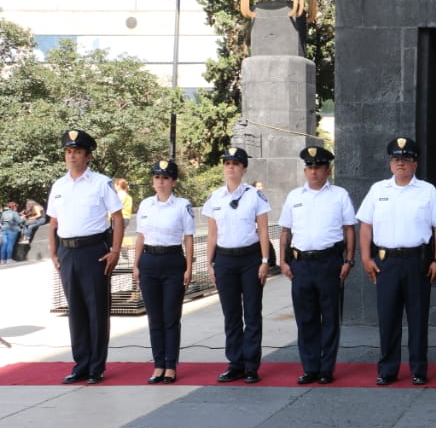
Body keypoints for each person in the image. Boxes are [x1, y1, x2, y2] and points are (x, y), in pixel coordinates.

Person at [356, 137, 436, 386]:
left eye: (406, 159)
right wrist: (365, 257)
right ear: (390, 163)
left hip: (417, 262)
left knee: (418, 318)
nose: (401, 163)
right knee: (388, 318)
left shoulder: (427, 191)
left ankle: (418, 369)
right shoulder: (378, 190)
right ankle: (388, 369)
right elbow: (366, 226)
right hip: (386, 263)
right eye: (396, 159)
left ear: (415, 163)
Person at [46, 129, 124, 384]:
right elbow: (53, 222)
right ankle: (80, 364)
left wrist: (115, 250)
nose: (72, 156)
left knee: (96, 309)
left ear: (88, 156)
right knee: (76, 310)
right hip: (67, 251)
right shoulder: (59, 185)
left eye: (77, 152)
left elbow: (117, 218)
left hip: (93, 251)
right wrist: (53, 252)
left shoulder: (101, 183)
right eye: (68, 151)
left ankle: (96, 367)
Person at [280, 145, 357, 385]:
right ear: (305, 170)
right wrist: (282, 261)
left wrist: (349, 260)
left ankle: (326, 368)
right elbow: (285, 231)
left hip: (329, 263)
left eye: (318, 167)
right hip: (301, 264)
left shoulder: (339, 195)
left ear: (328, 170)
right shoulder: (294, 196)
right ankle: (310, 367)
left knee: (330, 317)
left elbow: (349, 229)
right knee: (306, 319)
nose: (313, 171)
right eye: (309, 167)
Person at [202, 146, 272, 383]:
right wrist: (209, 263)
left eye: (235, 163)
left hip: (250, 259)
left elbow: (263, 230)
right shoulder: (215, 197)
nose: (230, 167)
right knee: (231, 314)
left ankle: (251, 365)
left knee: (252, 313)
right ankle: (235, 363)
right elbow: (212, 234)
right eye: (227, 163)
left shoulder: (255, 196)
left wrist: (265, 261)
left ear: (244, 169)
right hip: (224, 260)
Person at [130, 160, 194, 384]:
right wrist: (136, 264)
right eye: (157, 177)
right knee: (155, 318)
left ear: (173, 182)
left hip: (172, 261)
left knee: (171, 317)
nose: (160, 181)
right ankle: (158, 364)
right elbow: (140, 236)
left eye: (165, 178)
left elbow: (188, 238)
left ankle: (170, 365)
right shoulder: (146, 205)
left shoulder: (182, 205)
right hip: (149, 261)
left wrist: (189, 268)